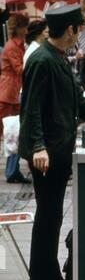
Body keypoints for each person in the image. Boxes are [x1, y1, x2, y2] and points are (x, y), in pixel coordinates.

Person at [19, 4, 85, 280]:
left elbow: (78, 100)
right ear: (70, 29)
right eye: (79, 28)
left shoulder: (59, 58)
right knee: (48, 214)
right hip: (47, 151)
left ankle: (48, 274)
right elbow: (32, 109)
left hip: (58, 149)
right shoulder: (42, 60)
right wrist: (38, 146)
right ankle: (43, 277)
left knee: (52, 214)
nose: (81, 34)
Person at [0, 13, 31, 184]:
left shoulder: (19, 45)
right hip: (8, 92)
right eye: (25, 26)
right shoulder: (12, 46)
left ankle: (13, 170)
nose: (26, 30)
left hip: (13, 92)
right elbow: (19, 69)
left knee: (14, 132)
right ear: (18, 28)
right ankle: (12, 170)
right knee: (8, 132)